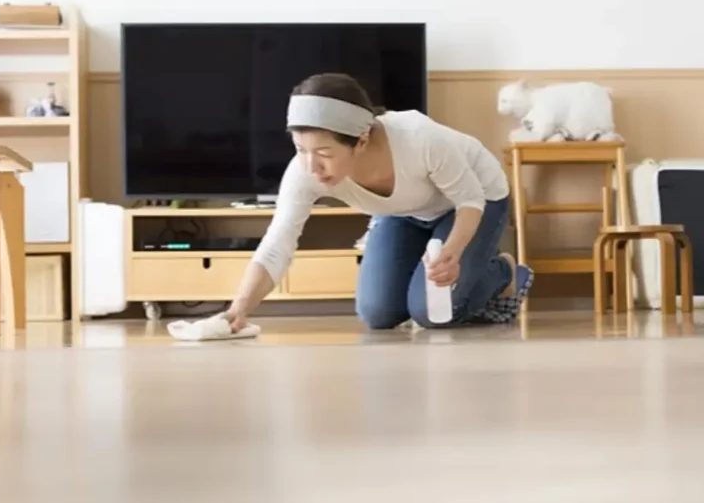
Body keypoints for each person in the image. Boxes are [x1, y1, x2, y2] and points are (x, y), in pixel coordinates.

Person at [224, 72, 534, 331]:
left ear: (361, 140)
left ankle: (503, 272)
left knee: (432, 314)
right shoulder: (304, 171)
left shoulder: (420, 139)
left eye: (324, 153)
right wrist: (238, 308)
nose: (310, 166)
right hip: (402, 211)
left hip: (473, 200)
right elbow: (277, 244)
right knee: (378, 313)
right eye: (300, 148)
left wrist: (452, 253)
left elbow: (470, 198)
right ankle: (453, 272)